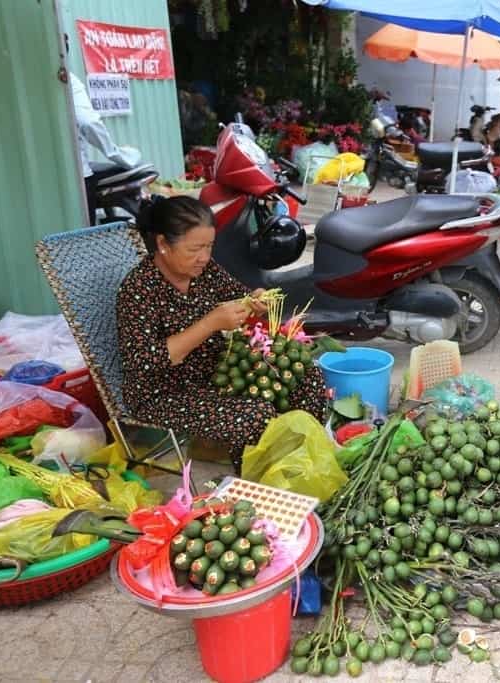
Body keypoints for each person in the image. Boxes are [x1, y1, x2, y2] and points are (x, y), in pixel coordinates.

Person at [116, 196, 327, 470]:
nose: (204, 257)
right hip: (163, 394)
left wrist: (255, 302)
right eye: (194, 249)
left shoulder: (205, 271)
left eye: (209, 246)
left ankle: (307, 462)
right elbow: (143, 361)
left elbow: (239, 300)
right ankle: (260, 490)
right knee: (254, 415)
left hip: (219, 374)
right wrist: (209, 324)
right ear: (162, 244)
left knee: (306, 375)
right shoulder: (138, 291)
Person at [70, 71, 140, 225]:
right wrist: (120, 155)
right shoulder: (67, 79)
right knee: (82, 238)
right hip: (75, 176)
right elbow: (88, 122)